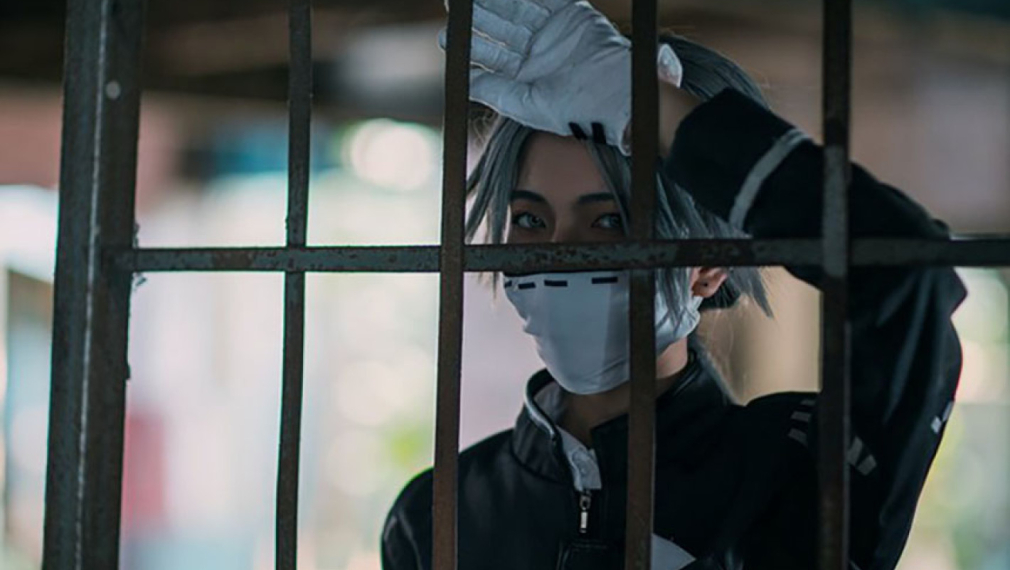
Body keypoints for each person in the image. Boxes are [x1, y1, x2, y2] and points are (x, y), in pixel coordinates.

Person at [381, 1, 967, 568]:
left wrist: (655, 113)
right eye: (531, 219)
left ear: (710, 263)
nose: (561, 254)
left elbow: (908, 271)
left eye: (611, 222)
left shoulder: (795, 470)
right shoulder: (434, 516)